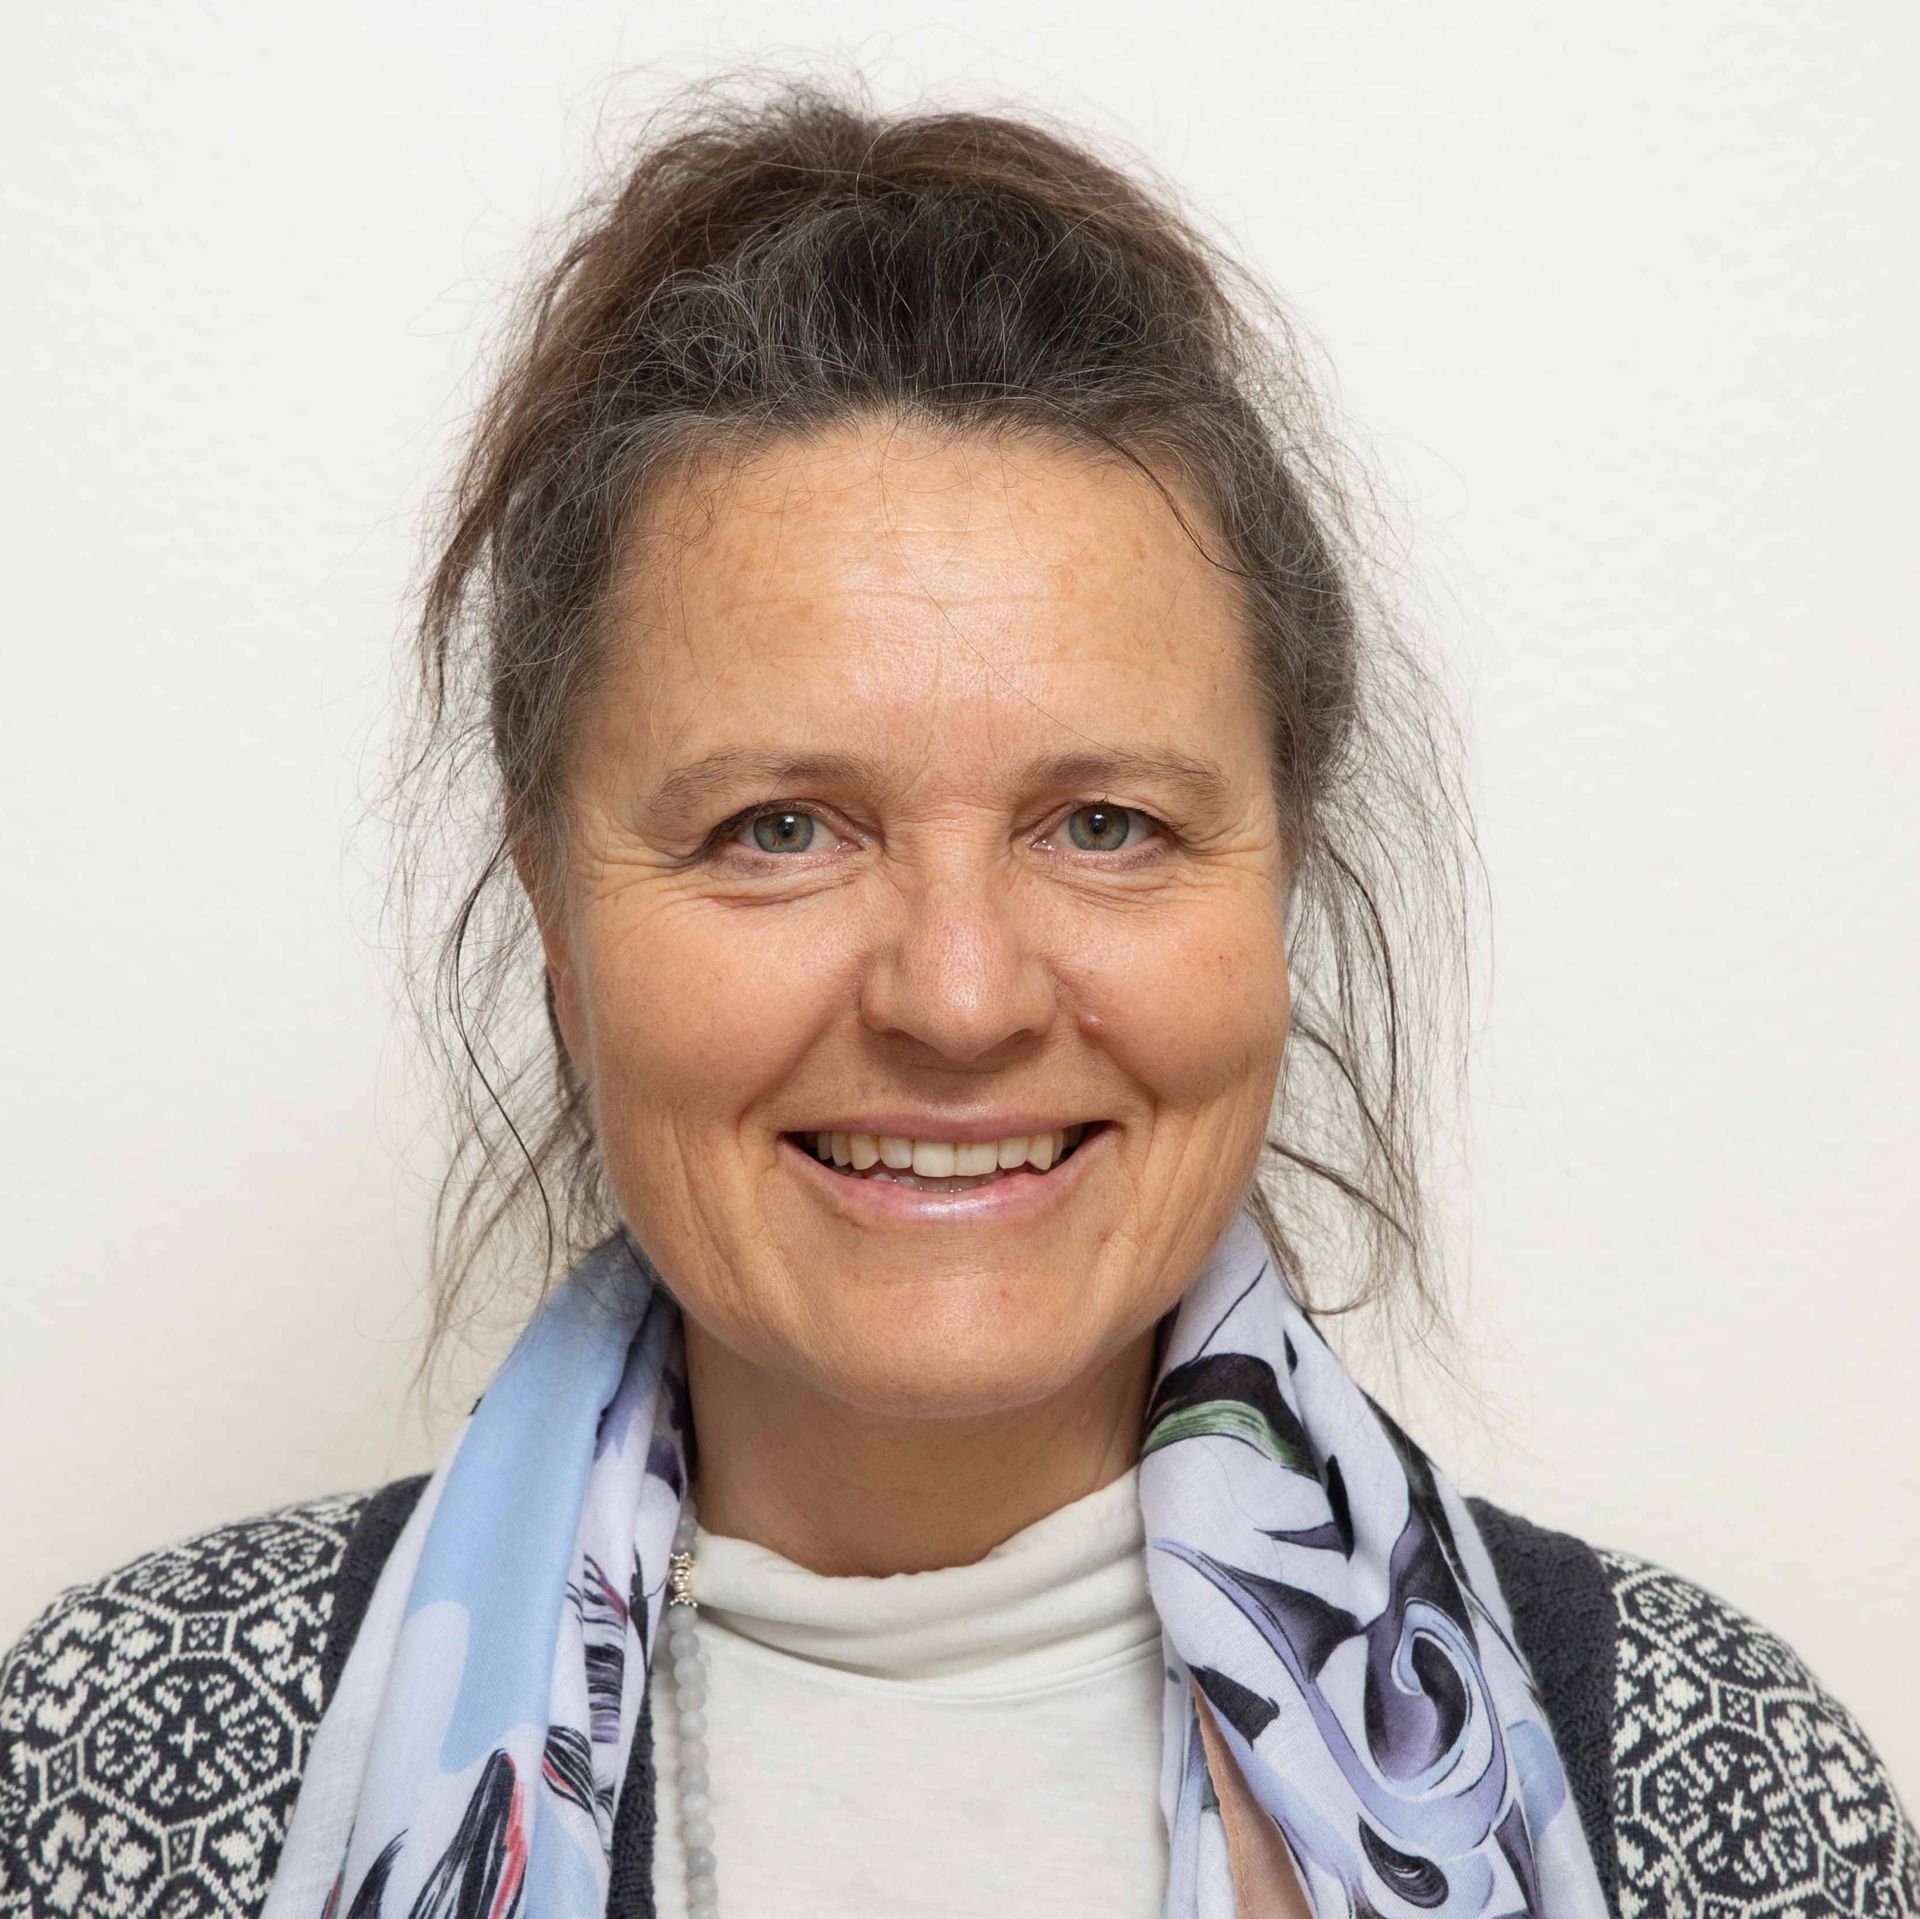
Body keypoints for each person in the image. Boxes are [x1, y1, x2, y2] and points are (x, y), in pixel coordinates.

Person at [2, 76, 1912, 1919]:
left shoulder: (1709, 1797)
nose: (962, 993)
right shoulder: (119, 1764)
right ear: (555, 922)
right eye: (776, 830)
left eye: (1106, 823)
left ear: (1283, 885)